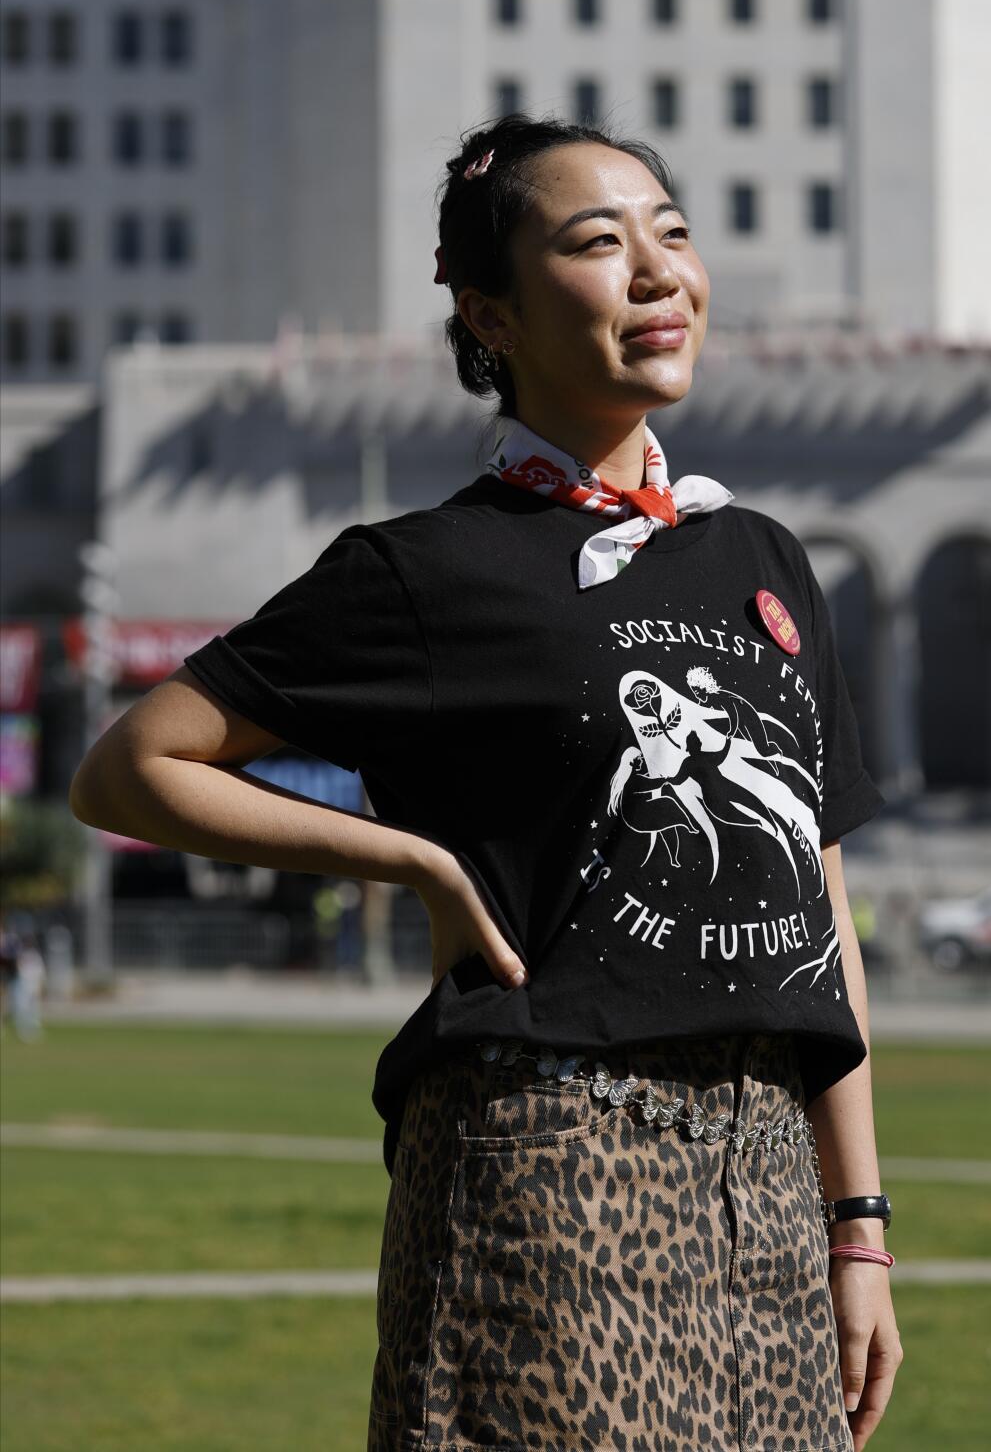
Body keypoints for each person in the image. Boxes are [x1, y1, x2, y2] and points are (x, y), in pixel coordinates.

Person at [69, 115, 903, 1451]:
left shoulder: (763, 558)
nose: (656, 271)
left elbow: (816, 903)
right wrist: (412, 861)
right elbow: (129, 769)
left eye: (672, 234)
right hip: (550, 1170)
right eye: (596, 242)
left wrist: (859, 1228)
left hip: (767, 1181)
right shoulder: (427, 571)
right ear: (489, 314)